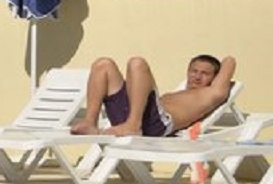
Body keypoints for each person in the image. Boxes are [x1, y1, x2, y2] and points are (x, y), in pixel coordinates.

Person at [71, 53, 236, 137]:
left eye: (205, 73)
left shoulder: (212, 93)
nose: (197, 76)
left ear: (215, 77)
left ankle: (133, 126)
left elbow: (230, 61)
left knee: (137, 63)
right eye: (194, 71)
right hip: (134, 115)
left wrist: (219, 72)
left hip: (155, 124)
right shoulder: (178, 92)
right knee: (103, 64)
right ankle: (90, 122)